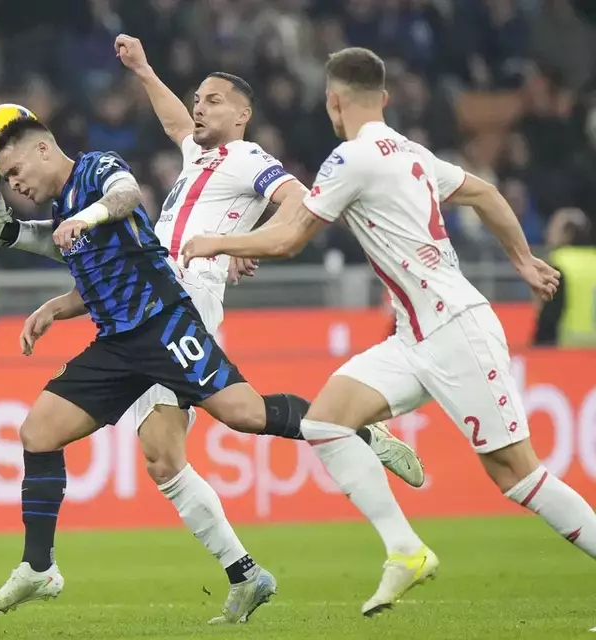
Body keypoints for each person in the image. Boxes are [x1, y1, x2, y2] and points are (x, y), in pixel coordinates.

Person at [0, 38, 425, 623]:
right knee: (132, 451)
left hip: (180, 304)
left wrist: (243, 244)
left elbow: (288, 201)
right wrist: (141, 68)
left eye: (213, 100)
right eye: (197, 100)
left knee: (233, 418)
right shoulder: (195, 158)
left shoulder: (242, 157)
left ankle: (348, 430)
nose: (199, 108)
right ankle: (231, 573)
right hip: (130, 322)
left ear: (242, 114)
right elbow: (122, 245)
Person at [181, 46, 596, 616]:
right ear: (386, 97)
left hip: (455, 329)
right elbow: (485, 192)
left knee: (517, 475)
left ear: (333, 101)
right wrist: (520, 258)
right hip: (414, 336)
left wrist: (218, 242)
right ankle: (404, 550)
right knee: (324, 420)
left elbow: (289, 238)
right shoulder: (411, 151)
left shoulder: (348, 159)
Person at [533, 207, 596, 347]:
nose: (547, 235)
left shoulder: (559, 262)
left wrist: (539, 345)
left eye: (553, 229)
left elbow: (551, 313)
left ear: (568, 233)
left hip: (569, 351)